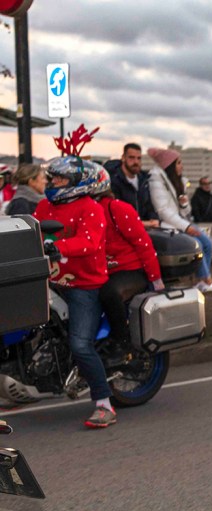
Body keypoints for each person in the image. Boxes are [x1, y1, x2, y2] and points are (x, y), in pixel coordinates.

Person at [33, 157, 116, 428]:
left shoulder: (91, 208)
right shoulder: (44, 206)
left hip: (84, 285)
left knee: (80, 344)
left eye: (61, 178)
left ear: (79, 182)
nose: (54, 182)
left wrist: (58, 247)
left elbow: (89, 242)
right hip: (51, 280)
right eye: (53, 177)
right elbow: (32, 232)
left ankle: (104, 404)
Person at [93, 165, 164, 362]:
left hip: (129, 270)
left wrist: (156, 280)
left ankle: (122, 344)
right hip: (100, 271)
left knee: (108, 293)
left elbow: (144, 244)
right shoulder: (81, 210)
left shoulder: (117, 208)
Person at [148, 147, 212, 301]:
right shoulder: (156, 181)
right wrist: (186, 227)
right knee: (197, 244)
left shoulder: (178, 182)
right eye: (179, 163)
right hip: (166, 226)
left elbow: (186, 212)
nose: (182, 166)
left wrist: (184, 204)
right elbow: (163, 211)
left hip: (180, 222)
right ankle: (208, 281)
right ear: (170, 165)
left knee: (208, 243)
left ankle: (202, 281)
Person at [103, 143, 158, 227]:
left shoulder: (143, 180)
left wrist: (154, 219)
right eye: (131, 157)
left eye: (139, 158)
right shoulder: (114, 181)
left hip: (146, 228)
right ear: (123, 158)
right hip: (125, 230)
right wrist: (145, 223)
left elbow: (149, 206)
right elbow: (117, 215)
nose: (136, 162)